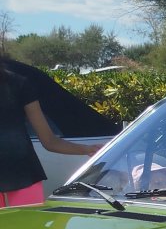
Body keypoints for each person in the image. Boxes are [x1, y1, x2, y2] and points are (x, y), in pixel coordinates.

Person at [0, 58, 102, 207]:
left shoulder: (18, 83)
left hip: (25, 179)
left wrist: (88, 149)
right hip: (24, 179)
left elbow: (49, 140)